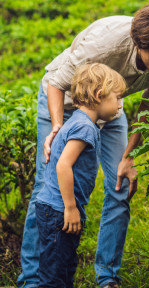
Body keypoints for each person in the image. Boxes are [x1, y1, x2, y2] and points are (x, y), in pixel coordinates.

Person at [17, 1, 149, 288]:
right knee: (46, 187)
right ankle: (33, 279)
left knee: (120, 185)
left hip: (110, 107)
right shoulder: (104, 45)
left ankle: (107, 277)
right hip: (64, 100)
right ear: (138, 44)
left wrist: (130, 155)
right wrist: (58, 128)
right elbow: (56, 83)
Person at [35, 63, 126, 287]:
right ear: (99, 95)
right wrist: (71, 207)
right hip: (59, 210)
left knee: (63, 265)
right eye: (117, 98)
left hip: (54, 209)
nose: (120, 105)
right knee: (55, 274)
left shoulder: (77, 120)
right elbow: (63, 166)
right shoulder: (84, 128)